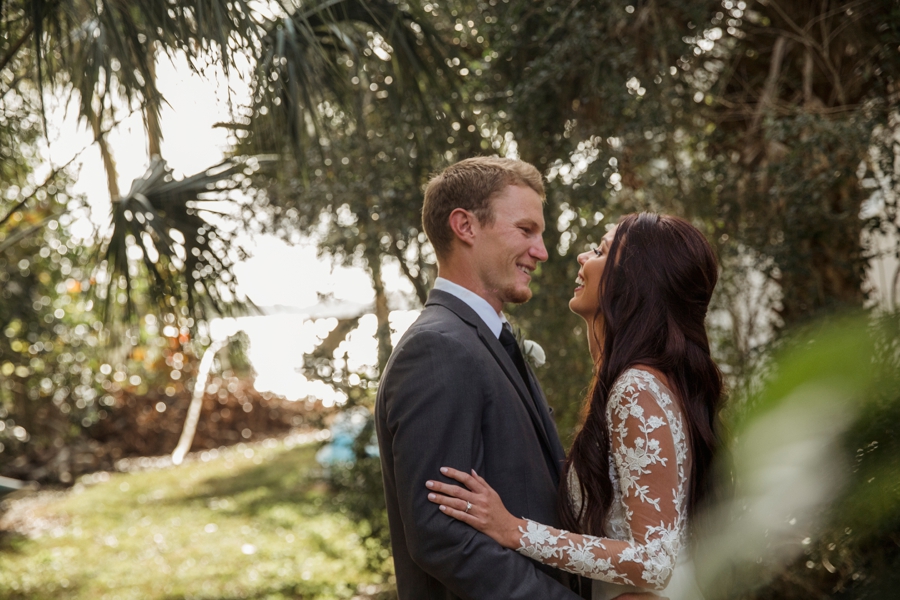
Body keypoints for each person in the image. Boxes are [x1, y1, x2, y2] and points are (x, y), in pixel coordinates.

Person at [425, 213, 723, 600]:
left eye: (600, 250)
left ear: (635, 279)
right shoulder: (648, 380)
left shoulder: (637, 388)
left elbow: (654, 561)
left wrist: (514, 530)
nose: (583, 257)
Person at [375, 157, 588, 599]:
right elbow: (443, 538)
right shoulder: (437, 350)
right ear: (466, 226)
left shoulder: (480, 340)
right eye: (526, 230)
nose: (542, 251)